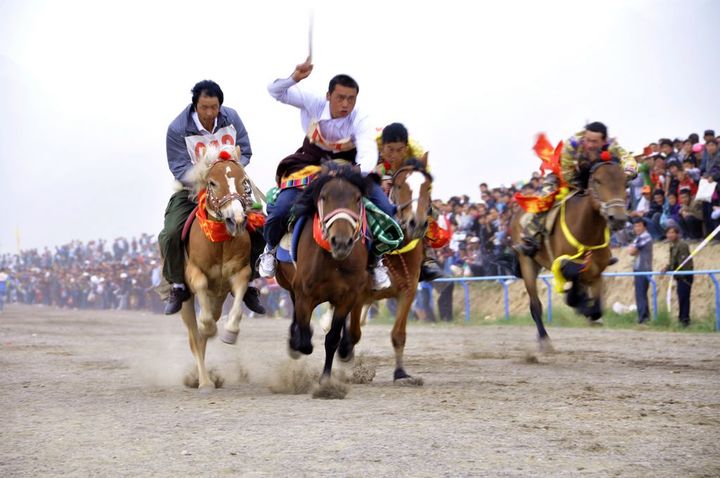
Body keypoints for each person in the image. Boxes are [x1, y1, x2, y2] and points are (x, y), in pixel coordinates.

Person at [259, 57, 396, 290]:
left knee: (386, 209)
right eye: (340, 97)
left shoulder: (360, 118)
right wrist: (294, 77)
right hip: (309, 164)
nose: (345, 104)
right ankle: (270, 250)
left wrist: (354, 175)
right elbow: (275, 92)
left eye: (351, 99)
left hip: (348, 169)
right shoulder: (312, 101)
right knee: (281, 208)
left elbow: (367, 152)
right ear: (328, 96)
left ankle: (376, 262)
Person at [158, 80, 265, 315]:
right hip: (193, 190)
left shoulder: (232, 118)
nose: (209, 112)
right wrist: (205, 178)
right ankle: (177, 284)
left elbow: (245, 150)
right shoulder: (177, 129)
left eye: (214, 107)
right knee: (171, 233)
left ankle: (249, 283)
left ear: (220, 106)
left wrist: (231, 170)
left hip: (229, 186)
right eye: (204, 107)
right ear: (195, 105)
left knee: (261, 224)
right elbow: (178, 168)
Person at [516, 121, 638, 257]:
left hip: (595, 180)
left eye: (595, 141)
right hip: (564, 177)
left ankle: (610, 244)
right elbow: (568, 174)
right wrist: (586, 188)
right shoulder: (572, 145)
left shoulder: (612, 145)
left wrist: (624, 175)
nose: (590, 144)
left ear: (603, 140)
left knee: (610, 198)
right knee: (546, 198)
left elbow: (629, 161)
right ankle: (531, 236)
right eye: (588, 140)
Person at [374, 122, 445, 282]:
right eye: (390, 150)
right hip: (377, 186)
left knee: (429, 211)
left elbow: (423, 182)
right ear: (382, 147)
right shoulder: (372, 149)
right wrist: (377, 181)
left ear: (406, 149)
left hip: (407, 190)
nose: (394, 155)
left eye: (400, 150)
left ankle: (427, 258)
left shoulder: (415, 154)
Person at [661, 225, 693, 327]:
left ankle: (685, 321)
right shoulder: (673, 245)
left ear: (677, 234)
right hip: (679, 275)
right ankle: (681, 319)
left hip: (685, 276)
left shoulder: (682, 245)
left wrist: (680, 274)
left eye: (672, 232)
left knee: (684, 298)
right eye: (668, 233)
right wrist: (666, 268)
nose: (669, 235)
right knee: (681, 298)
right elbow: (673, 262)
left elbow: (683, 263)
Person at [628, 217, 653, 324]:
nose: (637, 228)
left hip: (644, 268)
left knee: (641, 294)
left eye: (639, 225)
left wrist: (632, 248)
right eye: (635, 226)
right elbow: (631, 250)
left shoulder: (645, 236)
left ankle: (643, 318)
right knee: (640, 294)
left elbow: (631, 251)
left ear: (644, 226)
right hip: (639, 268)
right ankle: (644, 317)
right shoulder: (638, 237)